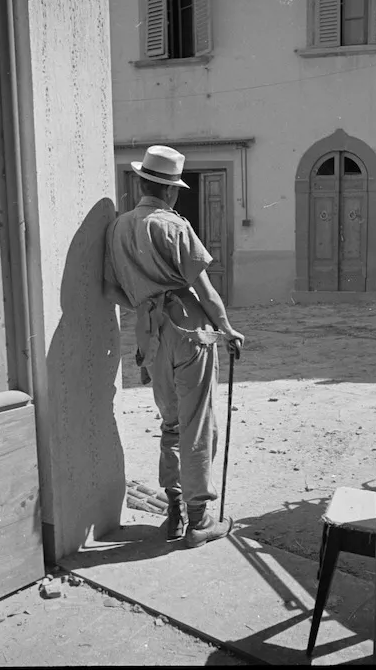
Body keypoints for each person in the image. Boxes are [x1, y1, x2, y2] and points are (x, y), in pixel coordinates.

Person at [103, 145, 245, 548]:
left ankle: (176, 513)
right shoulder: (174, 226)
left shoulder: (118, 228)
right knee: (197, 425)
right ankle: (199, 521)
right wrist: (227, 329)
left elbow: (109, 287)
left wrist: (148, 308)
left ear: (141, 183)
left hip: (150, 335)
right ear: (171, 191)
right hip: (189, 331)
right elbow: (206, 290)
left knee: (171, 425)